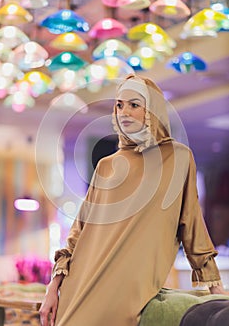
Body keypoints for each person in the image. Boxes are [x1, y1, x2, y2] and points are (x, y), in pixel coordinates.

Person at [39, 74, 229, 326]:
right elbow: (79, 231)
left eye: (134, 105)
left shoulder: (178, 158)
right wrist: (53, 287)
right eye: (119, 105)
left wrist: (216, 289)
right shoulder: (106, 166)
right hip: (81, 283)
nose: (124, 112)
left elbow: (192, 225)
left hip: (128, 292)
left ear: (152, 110)